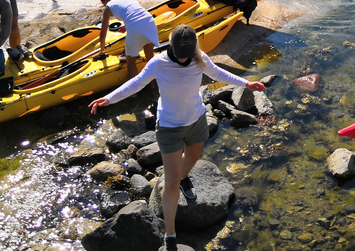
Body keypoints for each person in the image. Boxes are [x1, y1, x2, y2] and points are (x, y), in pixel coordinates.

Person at [89, 24, 266, 251]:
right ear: (170, 45)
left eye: (188, 54)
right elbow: (136, 83)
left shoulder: (199, 57)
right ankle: (170, 235)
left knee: (190, 162)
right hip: (169, 127)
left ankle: (184, 177)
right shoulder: (158, 62)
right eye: (181, 55)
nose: (184, 60)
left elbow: (218, 73)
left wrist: (246, 82)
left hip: (197, 120)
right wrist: (109, 98)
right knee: (170, 182)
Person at [99, 0, 160, 79]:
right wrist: (126, 25)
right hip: (149, 21)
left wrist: (101, 50)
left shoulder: (108, 7)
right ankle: (152, 86)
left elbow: (103, 34)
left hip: (135, 26)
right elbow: (138, 12)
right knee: (150, 58)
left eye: (103, 3)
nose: (104, 6)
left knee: (131, 62)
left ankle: (133, 92)